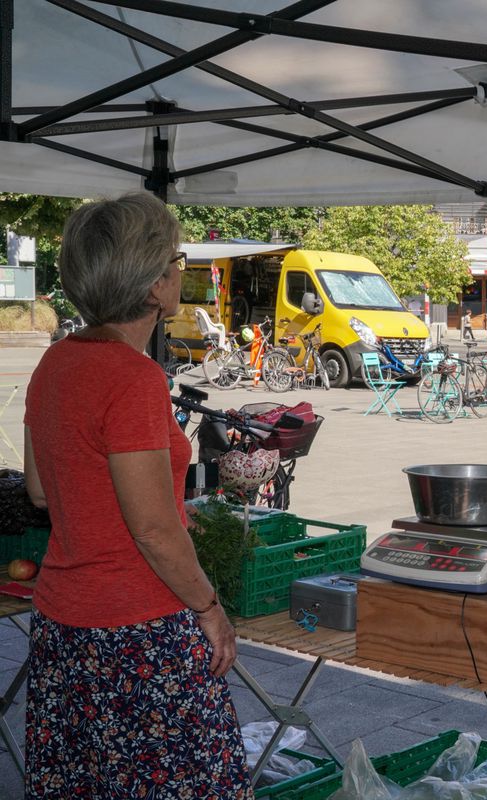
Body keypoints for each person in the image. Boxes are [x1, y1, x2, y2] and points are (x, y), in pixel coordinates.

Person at [21, 194, 251, 797]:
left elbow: (44, 492)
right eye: (174, 260)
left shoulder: (56, 363)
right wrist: (209, 609)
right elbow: (151, 528)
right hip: (139, 632)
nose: (179, 270)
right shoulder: (134, 377)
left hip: (64, 625)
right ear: (154, 285)